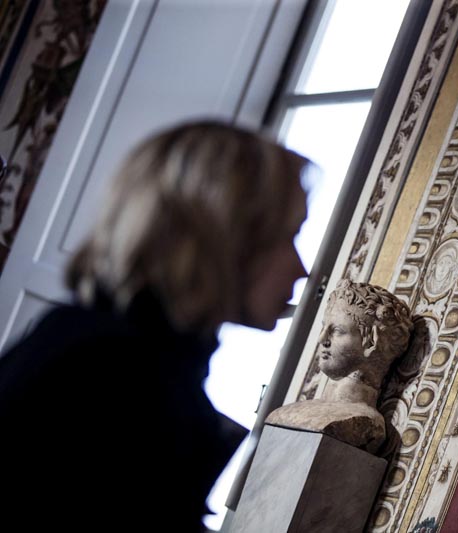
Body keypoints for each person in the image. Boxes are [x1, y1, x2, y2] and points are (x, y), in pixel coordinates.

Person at [0, 121, 309, 532]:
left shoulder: (129, 354)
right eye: (287, 237)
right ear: (223, 236)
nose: (301, 268)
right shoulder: (111, 367)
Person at [267, 279, 413, 453]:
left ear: (371, 342)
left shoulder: (363, 424)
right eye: (324, 327)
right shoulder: (291, 411)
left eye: (337, 330)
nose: (322, 339)